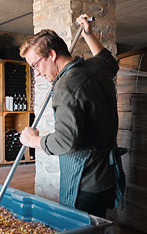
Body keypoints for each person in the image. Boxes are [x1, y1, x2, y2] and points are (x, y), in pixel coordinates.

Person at [19, 14, 126, 218]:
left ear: (51, 54)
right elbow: (110, 63)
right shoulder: (95, 68)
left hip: (85, 182)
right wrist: (88, 34)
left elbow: (66, 142)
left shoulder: (65, 87)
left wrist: (34, 140)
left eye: (35, 65)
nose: (37, 73)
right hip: (108, 176)